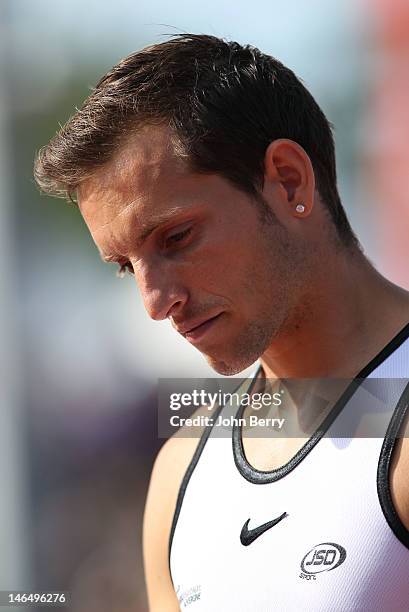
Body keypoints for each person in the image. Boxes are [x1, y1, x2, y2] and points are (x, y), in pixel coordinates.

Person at [34, 34, 409, 611]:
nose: (154, 302)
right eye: (125, 266)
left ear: (288, 181)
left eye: (176, 238)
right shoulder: (181, 474)